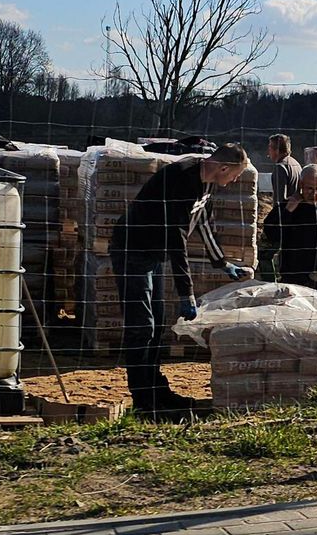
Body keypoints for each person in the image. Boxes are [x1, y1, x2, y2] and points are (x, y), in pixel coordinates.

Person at [109, 143, 254, 417]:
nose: (232, 182)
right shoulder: (181, 179)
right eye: (234, 176)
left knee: (156, 326)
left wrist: (223, 264)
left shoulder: (207, 183)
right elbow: (177, 240)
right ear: (223, 168)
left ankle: (157, 391)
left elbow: (202, 223)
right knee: (142, 327)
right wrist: (186, 293)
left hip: (153, 253)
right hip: (132, 250)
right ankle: (143, 401)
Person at [262, 164, 317, 289]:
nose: (314, 193)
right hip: (292, 279)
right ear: (301, 185)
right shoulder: (287, 206)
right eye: (309, 189)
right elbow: (271, 234)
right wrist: (288, 211)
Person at [261, 134, 302, 281]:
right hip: (296, 219)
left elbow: (280, 201)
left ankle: (270, 286)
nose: (268, 152)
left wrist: (273, 227)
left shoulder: (280, 167)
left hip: (283, 219)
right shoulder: (295, 164)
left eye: (270, 148)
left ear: (276, 150)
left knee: (264, 254)